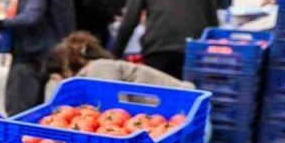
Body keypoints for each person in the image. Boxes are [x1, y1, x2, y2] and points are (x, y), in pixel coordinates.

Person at [111, 0, 218, 79]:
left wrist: (115, 54)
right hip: (193, 50)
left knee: (158, 92)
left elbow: (129, 22)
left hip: (157, 48)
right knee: (189, 91)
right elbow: (213, 21)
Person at [44, 31, 194, 100]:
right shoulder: (99, 69)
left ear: (66, 68)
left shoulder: (99, 68)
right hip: (180, 117)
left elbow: (114, 109)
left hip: (187, 117)